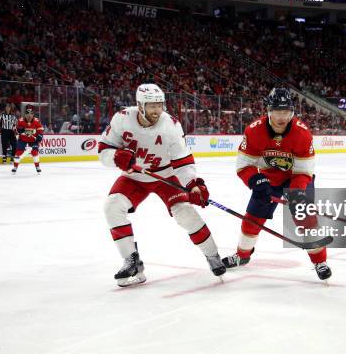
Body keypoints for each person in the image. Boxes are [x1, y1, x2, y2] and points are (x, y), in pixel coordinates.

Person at [98, 83, 225, 287]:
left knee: (185, 212)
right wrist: (115, 157)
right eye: (151, 106)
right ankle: (132, 261)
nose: (157, 110)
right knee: (112, 206)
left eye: (159, 105)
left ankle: (213, 255)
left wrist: (192, 184)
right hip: (134, 177)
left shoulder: (171, 126)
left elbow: (182, 161)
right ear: (140, 105)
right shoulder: (122, 118)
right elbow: (103, 151)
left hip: (166, 176)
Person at [222, 87, 331, 281]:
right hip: (268, 179)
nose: (282, 117)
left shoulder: (302, 134)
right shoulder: (254, 131)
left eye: (286, 112)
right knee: (251, 219)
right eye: (277, 112)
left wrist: (296, 193)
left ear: (292, 112)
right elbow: (244, 165)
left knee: (305, 219)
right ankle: (242, 255)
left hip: (297, 178)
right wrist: (257, 181)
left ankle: (320, 261)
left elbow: (304, 170)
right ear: (269, 112)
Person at [12, 105, 44, 174]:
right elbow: (14, 128)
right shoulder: (20, 121)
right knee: (18, 153)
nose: (29, 116)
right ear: (25, 115)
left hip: (33, 140)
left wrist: (40, 136)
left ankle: (37, 167)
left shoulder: (36, 121)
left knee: (34, 152)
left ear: (33, 115)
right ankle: (15, 167)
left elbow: (40, 129)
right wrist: (18, 130)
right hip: (22, 139)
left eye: (31, 114)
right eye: (27, 114)